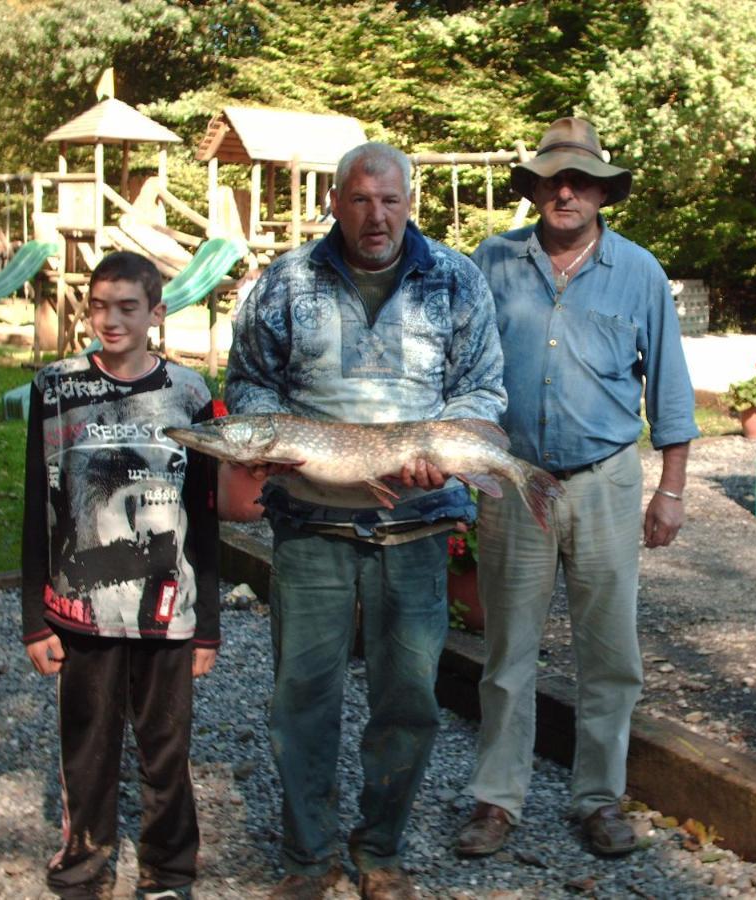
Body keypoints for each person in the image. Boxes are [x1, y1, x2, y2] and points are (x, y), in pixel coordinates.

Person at [223, 141, 506, 899]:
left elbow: (482, 391)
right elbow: (248, 379)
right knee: (302, 696)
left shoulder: (456, 280)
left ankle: (380, 850)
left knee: (408, 699)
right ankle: (308, 858)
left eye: (389, 200)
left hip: (415, 524)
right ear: (336, 201)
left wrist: (444, 453)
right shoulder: (287, 281)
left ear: (408, 202)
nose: (375, 216)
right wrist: (267, 437)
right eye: (359, 199)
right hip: (311, 526)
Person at [456, 117, 699, 859]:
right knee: (507, 653)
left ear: (602, 191)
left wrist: (672, 491)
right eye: (553, 178)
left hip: (605, 480)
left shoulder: (640, 273)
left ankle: (597, 798)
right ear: (532, 187)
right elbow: (457, 370)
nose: (567, 191)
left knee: (610, 652)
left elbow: (672, 389)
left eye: (582, 180)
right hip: (513, 480)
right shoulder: (489, 263)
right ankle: (498, 800)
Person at [20, 250, 220, 900]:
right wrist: (33, 619)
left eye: (127, 307)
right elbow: (36, 506)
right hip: (81, 611)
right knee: (89, 747)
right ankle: (84, 865)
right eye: (99, 304)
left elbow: (206, 515)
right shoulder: (55, 388)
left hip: (169, 611)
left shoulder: (190, 394)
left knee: (165, 749)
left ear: (155, 312)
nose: (110, 319)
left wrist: (207, 628)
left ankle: (169, 871)